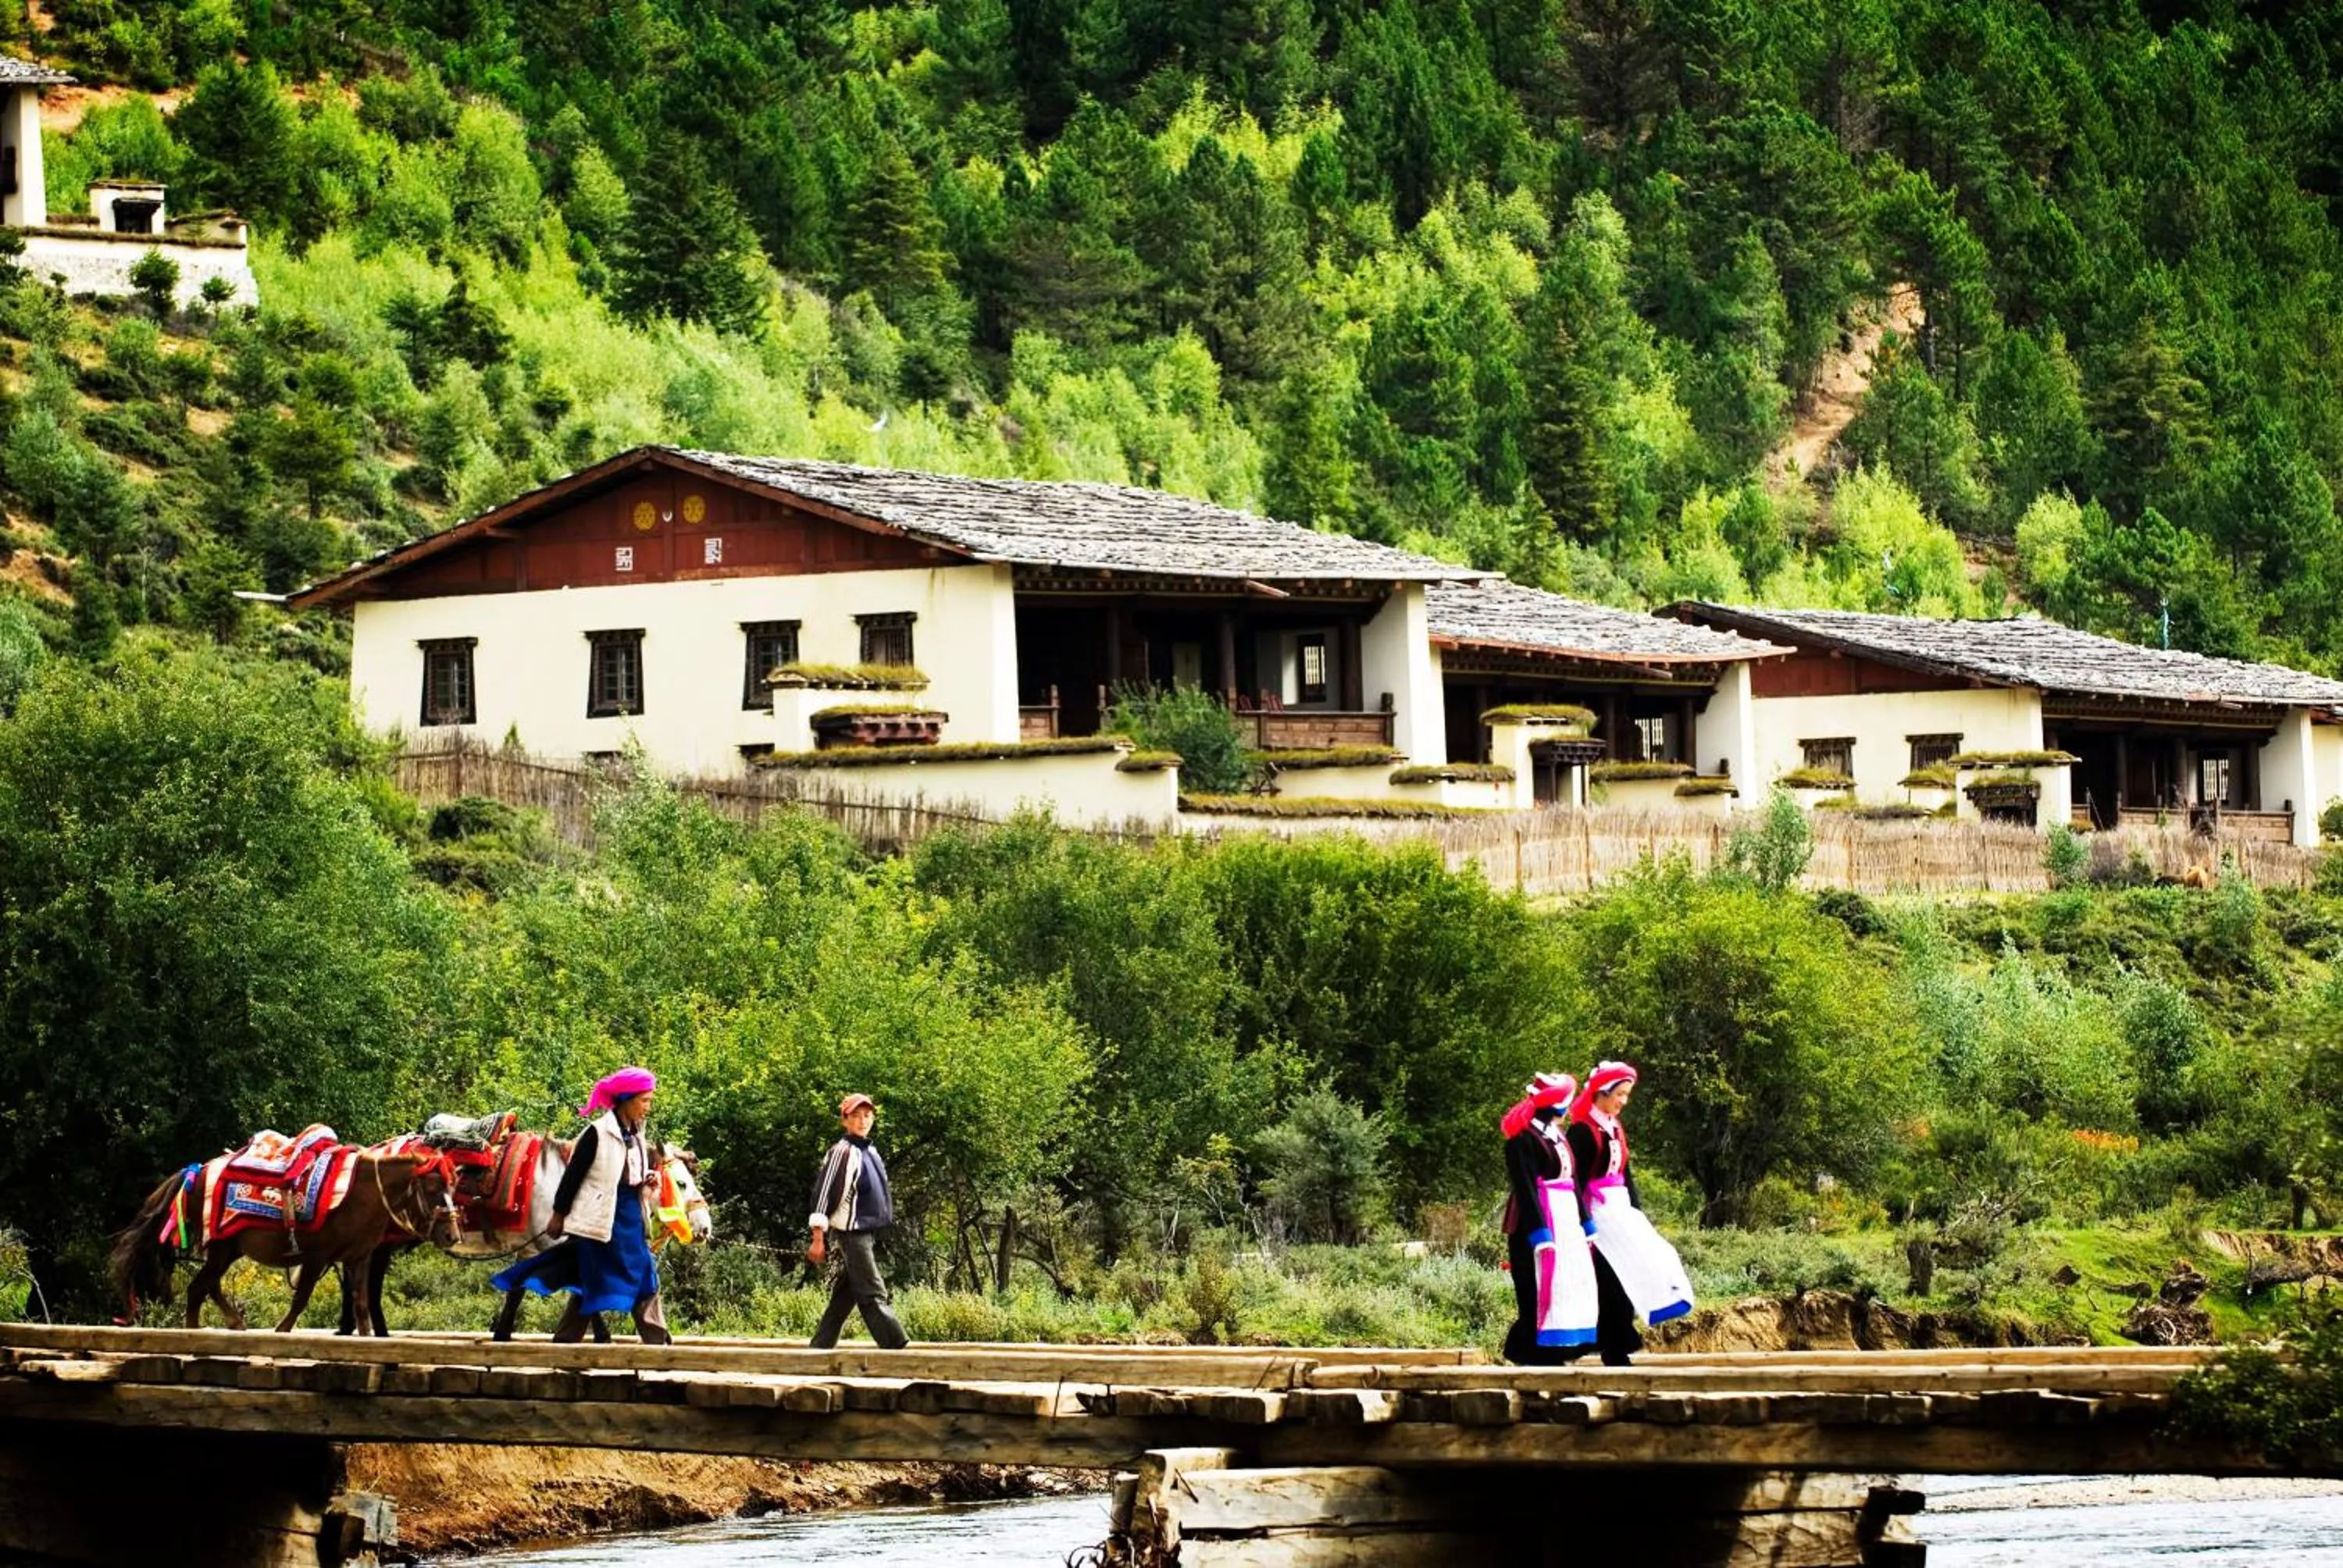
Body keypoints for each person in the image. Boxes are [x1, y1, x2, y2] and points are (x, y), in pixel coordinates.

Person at [490, 1066, 672, 1345]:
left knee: (629, 1276)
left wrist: (645, 1181)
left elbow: (628, 1173)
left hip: (630, 1218)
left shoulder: (636, 1135)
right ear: (627, 1099)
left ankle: (573, 1340)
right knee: (605, 1279)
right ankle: (654, 1341)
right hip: (601, 1221)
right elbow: (573, 1177)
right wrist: (558, 1215)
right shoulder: (597, 1134)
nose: (648, 1107)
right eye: (645, 1100)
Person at [1567, 1060, 1694, 1365]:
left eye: (1627, 1095)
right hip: (1597, 1212)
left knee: (1647, 1260)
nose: (1623, 1102)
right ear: (1602, 1092)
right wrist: (1584, 1222)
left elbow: (1627, 1174)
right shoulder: (1583, 1131)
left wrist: (1637, 1214)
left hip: (1619, 1208)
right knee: (1611, 1277)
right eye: (1619, 1094)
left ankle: (1625, 1335)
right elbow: (1576, 1181)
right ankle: (1613, 1345)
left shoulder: (1614, 1128)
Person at [1500, 1071, 1598, 1365]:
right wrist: (1540, 1234)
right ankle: (1530, 1351)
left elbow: (1573, 1182)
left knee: (1563, 1283)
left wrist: (1585, 1222)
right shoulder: (1523, 1140)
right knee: (1536, 1284)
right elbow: (1526, 1188)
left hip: (1565, 1219)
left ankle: (1558, 1348)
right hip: (1538, 1219)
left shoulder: (1558, 1137)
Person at [807, 1092, 909, 1350]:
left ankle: (820, 1348)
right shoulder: (843, 1152)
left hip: (865, 1233)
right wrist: (818, 1239)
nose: (863, 1121)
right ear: (844, 1120)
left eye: (867, 1115)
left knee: (845, 1295)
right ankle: (896, 1346)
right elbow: (823, 1196)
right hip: (852, 1235)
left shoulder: (868, 1150)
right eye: (856, 1116)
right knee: (873, 1293)